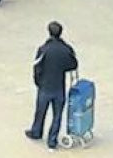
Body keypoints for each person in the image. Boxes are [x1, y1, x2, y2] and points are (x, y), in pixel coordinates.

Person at [25, 21, 78, 150]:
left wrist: (38, 81)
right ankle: (52, 140)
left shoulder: (44, 49)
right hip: (59, 86)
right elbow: (73, 64)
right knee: (57, 115)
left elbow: (37, 67)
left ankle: (37, 132)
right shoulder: (66, 49)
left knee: (40, 111)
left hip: (45, 86)